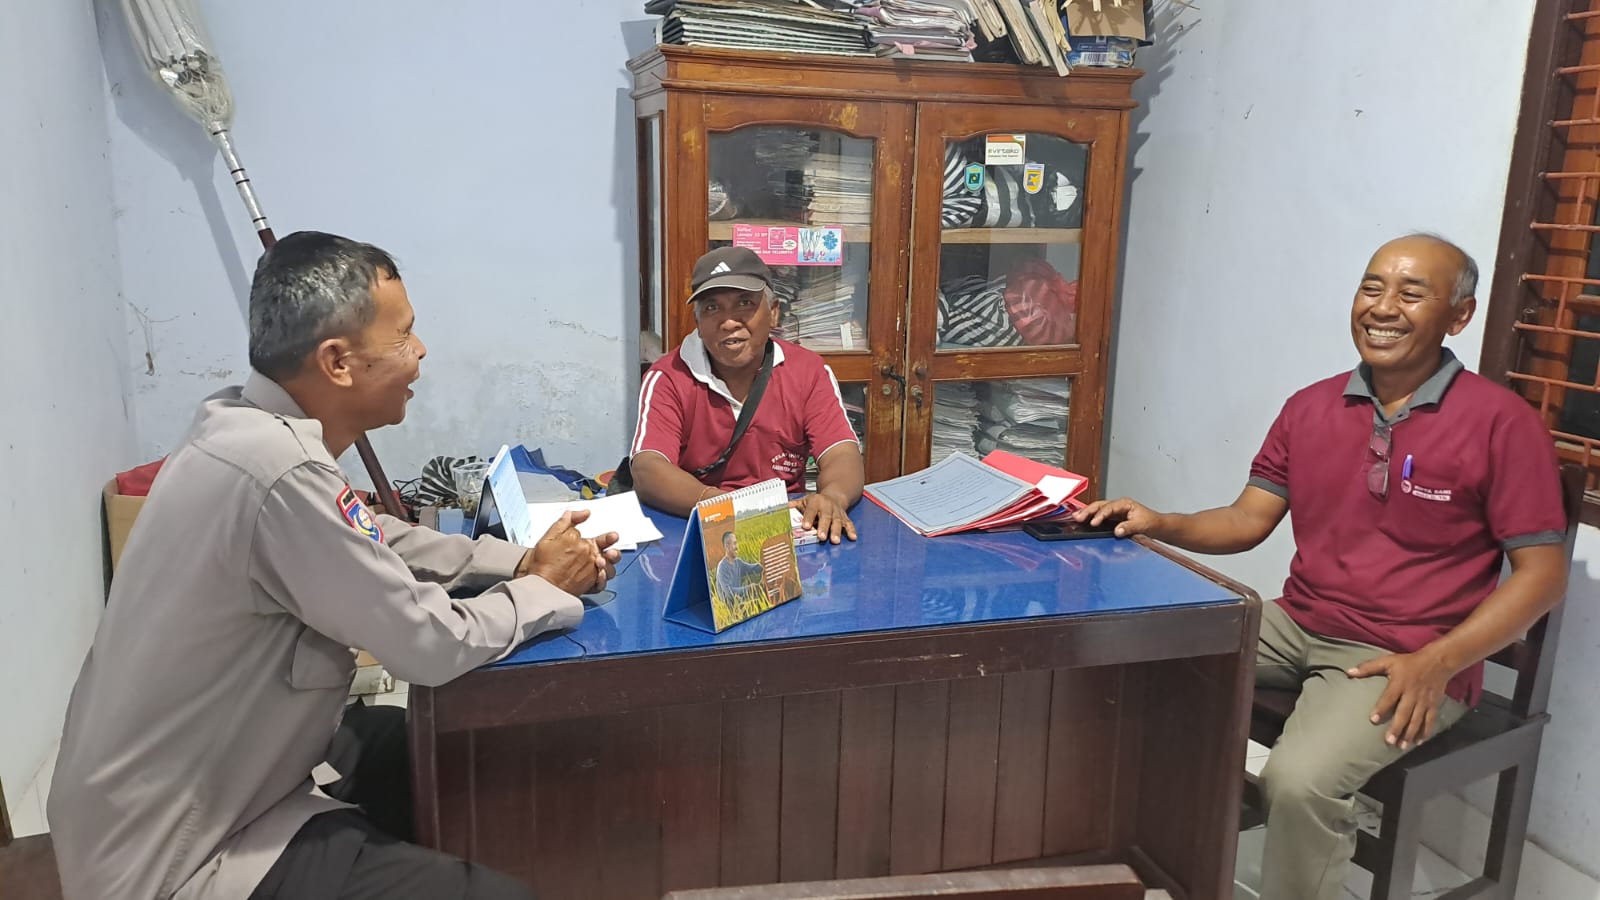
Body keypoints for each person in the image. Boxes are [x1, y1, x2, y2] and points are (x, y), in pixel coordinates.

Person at [48, 231, 621, 900]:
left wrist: (519, 559)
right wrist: (545, 586)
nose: (421, 350)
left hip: (190, 784)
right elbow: (429, 644)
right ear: (338, 361)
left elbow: (372, 536)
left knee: (439, 747)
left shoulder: (240, 426)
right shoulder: (278, 469)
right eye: (403, 335)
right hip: (177, 853)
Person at [1074, 234, 1569, 900]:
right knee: (1140, 665)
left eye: (1411, 294)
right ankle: (1166, 867)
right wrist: (1160, 521)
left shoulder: (1502, 424)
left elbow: (1543, 575)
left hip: (1409, 653)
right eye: (1372, 287)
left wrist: (1439, 662)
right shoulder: (1312, 406)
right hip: (1296, 623)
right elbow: (1246, 520)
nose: (1383, 308)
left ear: (1460, 316)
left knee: (1300, 782)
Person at [628, 246, 864, 543]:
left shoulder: (808, 371)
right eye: (712, 308)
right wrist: (729, 507)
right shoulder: (668, 377)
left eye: (744, 303)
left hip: (788, 531)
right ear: (698, 323)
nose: (729, 322)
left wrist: (833, 497)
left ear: (773, 312)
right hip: (697, 524)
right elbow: (648, 468)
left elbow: (841, 452)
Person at [713, 529, 765, 608]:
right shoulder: (722, 567)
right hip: (730, 609)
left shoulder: (738, 562)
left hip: (740, 602)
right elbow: (729, 593)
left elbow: (753, 569)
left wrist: (766, 562)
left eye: (736, 543)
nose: (737, 547)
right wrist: (749, 589)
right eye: (734, 543)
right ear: (727, 546)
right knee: (759, 604)